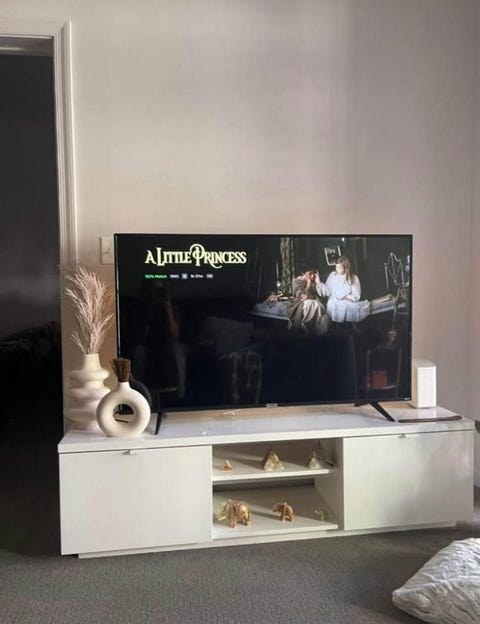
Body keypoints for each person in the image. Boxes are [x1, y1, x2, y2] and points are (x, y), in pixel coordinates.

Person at [324, 255, 370, 323]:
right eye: (336, 267)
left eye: (339, 268)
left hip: (348, 302)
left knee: (341, 305)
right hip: (335, 301)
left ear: (346, 268)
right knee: (331, 303)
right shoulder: (333, 275)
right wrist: (318, 282)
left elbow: (356, 296)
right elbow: (327, 290)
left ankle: (346, 324)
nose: (337, 269)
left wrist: (345, 296)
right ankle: (337, 324)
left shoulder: (353, 277)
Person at [287, 269, 329, 335]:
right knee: (312, 304)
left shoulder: (314, 281)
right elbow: (302, 296)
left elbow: (320, 295)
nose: (312, 276)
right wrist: (308, 284)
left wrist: (318, 282)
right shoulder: (297, 281)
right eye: (310, 273)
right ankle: (304, 329)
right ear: (303, 273)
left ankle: (317, 331)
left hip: (312, 301)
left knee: (318, 305)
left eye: (314, 273)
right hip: (299, 303)